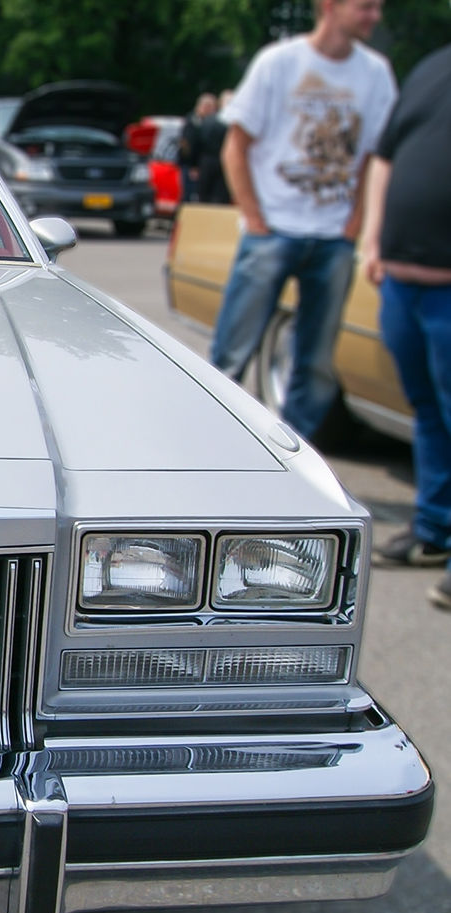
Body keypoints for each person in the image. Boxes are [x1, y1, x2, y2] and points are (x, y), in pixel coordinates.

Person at [207, 0, 396, 444]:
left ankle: (297, 456)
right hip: (273, 230)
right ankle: (216, 445)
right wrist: (254, 218)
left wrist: (354, 223)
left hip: (333, 238)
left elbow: (374, 155)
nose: (375, 17)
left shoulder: (376, 73)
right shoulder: (279, 63)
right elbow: (236, 146)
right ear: (329, 6)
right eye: (366, 7)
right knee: (232, 350)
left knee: (314, 363)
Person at [359, 42, 451, 609]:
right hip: (401, 279)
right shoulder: (431, 65)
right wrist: (372, 237)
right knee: (428, 411)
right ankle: (434, 531)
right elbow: (386, 156)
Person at [177, 92, 217, 202]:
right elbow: (187, 146)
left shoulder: (209, 124)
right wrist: (192, 166)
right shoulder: (192, 122)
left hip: (203, 166)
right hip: (190, 166)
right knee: (188, 197)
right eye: (208, 107)